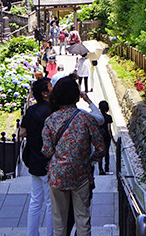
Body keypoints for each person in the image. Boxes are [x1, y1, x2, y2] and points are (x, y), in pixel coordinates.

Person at [42, 76, 105, 236]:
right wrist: (90, 159)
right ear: (76, 96)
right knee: (83, 220)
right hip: (81, 174)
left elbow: (47, 151)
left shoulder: (51, 120)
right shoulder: (85, 118)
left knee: (59, 224)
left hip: (57, 175)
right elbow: (100, 147)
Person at [20, 77, 53, 236]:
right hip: (48, 161)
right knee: (50, 203)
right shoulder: (53, 110)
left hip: (33, 159)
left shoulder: (31, 110)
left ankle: (32, 234)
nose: (53, 88)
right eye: (50, 86)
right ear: (45, 93)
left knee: (35, 201)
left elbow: (21, 132)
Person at [97, 101, 113, 175]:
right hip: (106, 136)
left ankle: (100, 169)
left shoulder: (98, 117)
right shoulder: (108, 117)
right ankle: (106, 168)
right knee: (106, 152)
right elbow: (109, 129)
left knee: (100, 152)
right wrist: (112, 139)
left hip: (99, 136)